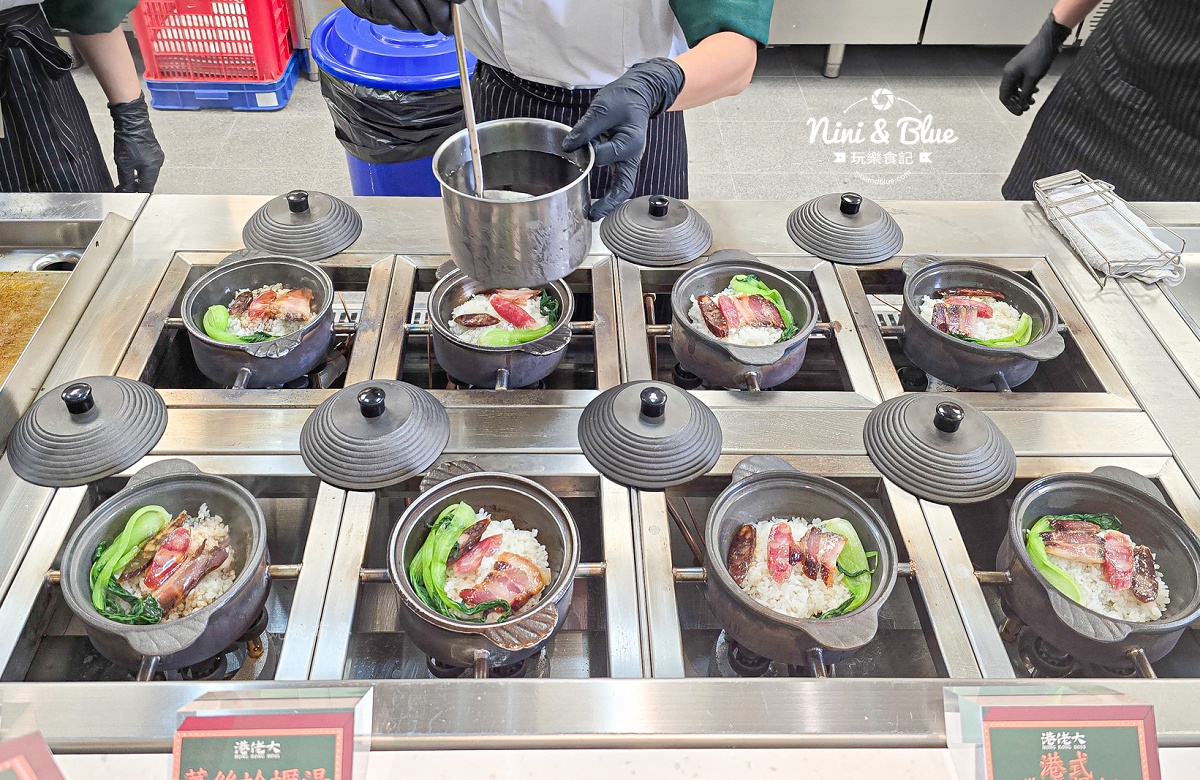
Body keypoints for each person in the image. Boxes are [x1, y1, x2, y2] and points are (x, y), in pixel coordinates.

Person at [340, 0, 773, 219]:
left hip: (635, 111)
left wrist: (655, 85)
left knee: (641, 285)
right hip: (501, 98)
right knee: (503, 283)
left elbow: (735, 52)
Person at [1000, 0, 1200, 201]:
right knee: (1030, 208)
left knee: (1162, 228)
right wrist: (1052, 33)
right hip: (1115, 63)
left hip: (1188, 146)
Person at [42, 0, 165, 192]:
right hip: (20, 64)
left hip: (21, 73)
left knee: (73, 204)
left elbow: (88, 9)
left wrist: (133, 123)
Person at [0, 0, 112, 192]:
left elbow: (86, 6)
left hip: (25, 54)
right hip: (23, 45)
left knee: (79, 202)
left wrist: (130, 117)